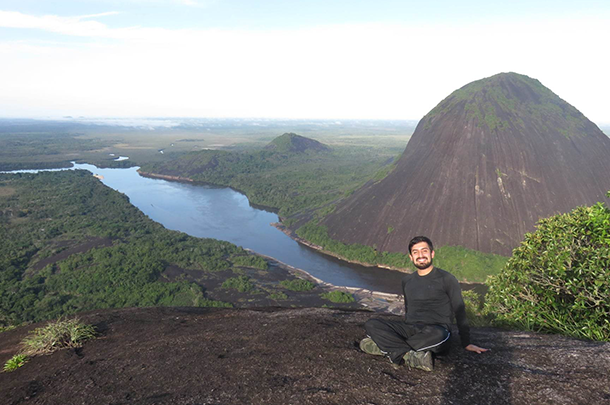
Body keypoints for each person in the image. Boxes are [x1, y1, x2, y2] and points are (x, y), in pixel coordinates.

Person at [360, 236, 489, 371]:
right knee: (372, 324)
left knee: (439, 336)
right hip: (411, 329)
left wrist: (466, 343)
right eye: (415, 252)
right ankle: (408, 355)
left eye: (424, 251)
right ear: (411, 257)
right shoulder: (407, 281)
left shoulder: (447, 279)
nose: (420, 255)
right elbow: (409, 309)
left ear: (432, 253)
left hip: (436, 330)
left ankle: (383, 347)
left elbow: (460, 310)